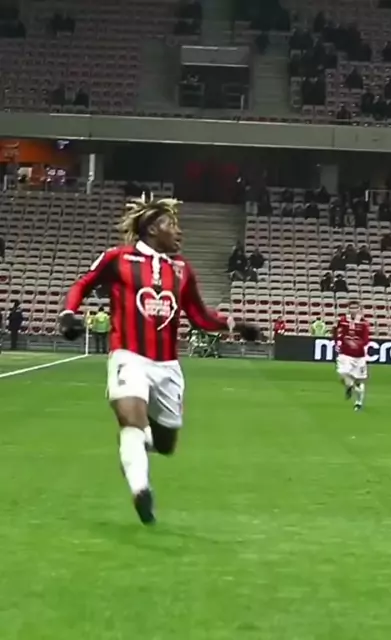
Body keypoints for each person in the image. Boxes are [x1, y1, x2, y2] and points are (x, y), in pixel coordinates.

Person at [59, 197, 260, 525]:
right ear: (153, 229)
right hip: (128, 356)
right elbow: (83, 283)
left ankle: (134, 447)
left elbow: (199, 315)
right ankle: (141, 489)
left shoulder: (181, 270)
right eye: (171, 225)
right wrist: (68, 314)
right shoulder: (118, 258)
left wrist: (235, 325)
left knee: (165, 443)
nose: (179, 231)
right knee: (132, 421)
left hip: (167, 367)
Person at [333, 300, 370, 412]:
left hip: (359, 355)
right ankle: (351, 387)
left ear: (359, 309)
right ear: (348, 309)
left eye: (355, 308)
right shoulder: (343, 320)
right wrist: (337, 341)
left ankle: (358, 402)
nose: (353, 310)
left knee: (359, 380)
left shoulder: (364, 323)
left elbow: (366, 339)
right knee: (342, 373)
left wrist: (357, 344)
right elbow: (336, 331)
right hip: (345, 353)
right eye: (351, 308)